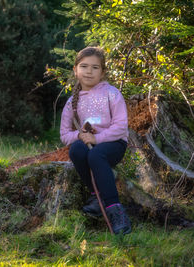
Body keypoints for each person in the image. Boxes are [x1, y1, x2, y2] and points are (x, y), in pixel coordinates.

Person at [60, 46, 131, 235]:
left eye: (95, 67)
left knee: (96, 155)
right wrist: (80, 135)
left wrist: (96, 138)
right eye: (84, 66)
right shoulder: (71, 103)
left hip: (114, 144)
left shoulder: (112, 94)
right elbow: (64, 134)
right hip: (89, 143)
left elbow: (121, 127)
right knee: (76, 150)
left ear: (103, 72)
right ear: (75, 70)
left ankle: (116, 210)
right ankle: (96, 195)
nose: (89, 71)